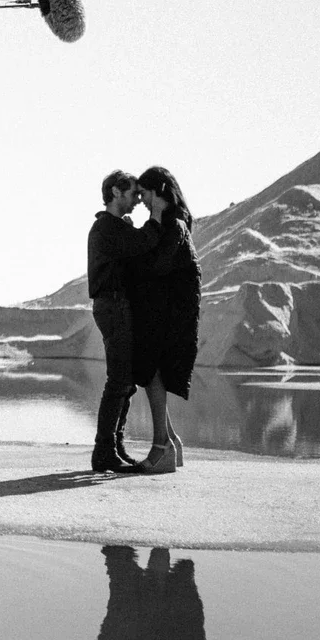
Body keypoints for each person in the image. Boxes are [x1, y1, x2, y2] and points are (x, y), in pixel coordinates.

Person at [127, 165, 200, 475]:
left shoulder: (172, 225)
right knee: (150, 371)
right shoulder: (172, 223)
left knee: (152, 370)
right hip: (168, 310)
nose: (141, 199)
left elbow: (156, 267)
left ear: (158, 192)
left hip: (170, 314)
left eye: (144, 193)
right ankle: (171, 444)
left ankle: (162, 449)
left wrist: (152, 221)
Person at [87, 170, 161, 472]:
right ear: (116, 192)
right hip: (113, 306)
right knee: (119, 381)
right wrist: (156, 216)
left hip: (115, 306)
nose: (136, 202)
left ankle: (113, 447)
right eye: (132, 195)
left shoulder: (113, 227)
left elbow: (133, 250)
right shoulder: (107, 227)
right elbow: (143, 243)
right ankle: (103, 452)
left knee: (125, 382)